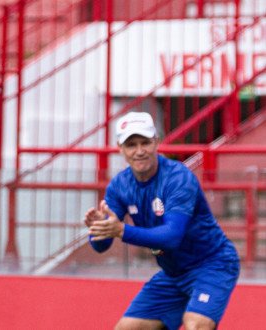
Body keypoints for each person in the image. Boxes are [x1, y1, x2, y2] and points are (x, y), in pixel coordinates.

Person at [84, 111, 239, 330]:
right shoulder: (119, 185)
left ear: (156, 142)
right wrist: (99, 229)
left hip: (212, 264)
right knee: (126, 328)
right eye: (131, 145)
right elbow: (100, 247)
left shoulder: (178, 178)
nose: (139, 151)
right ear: (120, 148)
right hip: (173, 273)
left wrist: (120, 230)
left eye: (145, 143)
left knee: (196, 325)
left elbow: (172, 237)